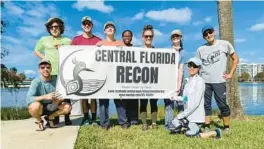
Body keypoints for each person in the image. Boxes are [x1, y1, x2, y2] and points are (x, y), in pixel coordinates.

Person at [196, 25, 239, 134]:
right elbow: (197, 66)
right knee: (206, 104)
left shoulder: (225, 44)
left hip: (219, 81)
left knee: (222, 104)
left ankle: (226, 127)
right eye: (205, 34)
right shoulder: (200, 49)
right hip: (205, 81)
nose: (208, 35)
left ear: (214, 32)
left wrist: (230, 74)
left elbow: (235, 59)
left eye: (210, 32)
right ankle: (206, 125)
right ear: (203, 37)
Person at [168, 57, 222, 139]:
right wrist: (175, 98)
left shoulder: (200, 81)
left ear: (199, 68)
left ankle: (215, 132)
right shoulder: (188, 81)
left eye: (194, 66)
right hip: (188, 115)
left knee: (189, 136)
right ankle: (188, 127)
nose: (191, 68)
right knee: (172, 124)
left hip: (196, 117)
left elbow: (195, 104)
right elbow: (186, 98)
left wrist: (180, 115)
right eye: (190, 65)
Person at [34, 17, 72, 125]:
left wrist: (63, 48)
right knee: (54, 97)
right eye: (51, 27)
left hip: (65, 72)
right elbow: (36, 50)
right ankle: (54, 118)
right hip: (51, 73)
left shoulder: (68, 41)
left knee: (66, 96)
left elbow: (74, 53)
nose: (54, 29)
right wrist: (44, 58)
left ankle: (67, 118)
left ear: (60, 27)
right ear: (49, 29)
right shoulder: (44, 39)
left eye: (56, 26)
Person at [96, 21, 129, 130]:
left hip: (116, 76)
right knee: (103, 101)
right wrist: (97, 48)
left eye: (112, 27)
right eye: (107, 27)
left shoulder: (120, 43)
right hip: (103, 76)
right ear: (104, 31)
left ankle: (123, 122)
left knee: (119, 100)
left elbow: (128, 58)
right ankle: (104, 123)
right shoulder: (99, 44)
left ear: (114, 31)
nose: (110, 28)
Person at [71, 16, 101, 126]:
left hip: (93, 72)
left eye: (89, 24)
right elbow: (71, 56)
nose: (87, 25)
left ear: (92, 25)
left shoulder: (98, 40)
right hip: (80, 72)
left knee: (93, 97)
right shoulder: (76, 40)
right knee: (83, 97)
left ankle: (93, 119)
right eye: (85, 24)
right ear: (82, 25)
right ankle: (85, 118)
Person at [27, 59, 72, 131]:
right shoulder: (35, 82)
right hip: (42, 107)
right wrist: (46, 96)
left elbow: (66, 91)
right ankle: (40, 121)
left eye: (48, 67)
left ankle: (50, 117)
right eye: (42, 67)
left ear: (51, 69)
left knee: (68, 107)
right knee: (33, 107)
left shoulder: (58, 79)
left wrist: (61, 99)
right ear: (39, 70)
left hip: (55, 104)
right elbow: (29, 99)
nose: (45, 69)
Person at [164, 29, 186, 129]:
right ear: (171, 38)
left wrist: (178, 86)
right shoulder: (167, 51)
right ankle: (168, 124)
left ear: (181, 37)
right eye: (173, 36)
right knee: (168, 104)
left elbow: (180, 70)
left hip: (179, 82)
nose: (175, 38)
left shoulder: (184, 52)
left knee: (180, 103)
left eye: (177, 36)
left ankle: (181, 123)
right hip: (168, 81)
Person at [140, 25, 158, 131]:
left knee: (153, 102)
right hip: (142, 82)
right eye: (146, 36)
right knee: (143, 102)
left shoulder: (157, 51)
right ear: (143, 37)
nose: (148, 38)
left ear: (153, 37)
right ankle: (144, 123)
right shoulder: (137, 51)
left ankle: (154, 122)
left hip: (154, 81)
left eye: (150, 36)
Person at [121, 30, 139, 125]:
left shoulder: (135, 49)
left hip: (133, 77)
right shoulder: (118, 48)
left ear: (131, 37)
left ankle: (134, 118)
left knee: (134, 98)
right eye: (125, 36)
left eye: (129, 36)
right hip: (122, 77)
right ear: (122, 37)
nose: (127, 37)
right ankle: (125, 118)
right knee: (124, 100)